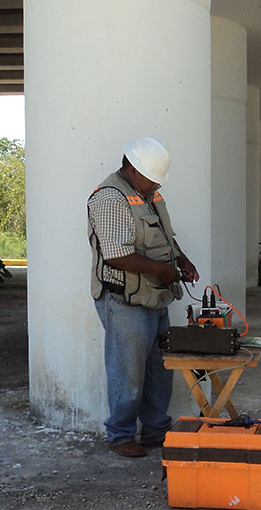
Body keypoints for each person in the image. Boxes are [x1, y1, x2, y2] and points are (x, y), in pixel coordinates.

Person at [87, 136, 199, 458]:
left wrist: (180, 260)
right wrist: (161, 271)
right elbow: (116, 256)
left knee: (158, 368)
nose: (156, 186)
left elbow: (164, 236)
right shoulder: (110, 199)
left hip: (154, 296)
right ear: (132, 169)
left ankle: (155, 430)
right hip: (126, 300)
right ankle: (121, 434)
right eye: (152, 178)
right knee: (128, 371)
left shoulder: (147, 194)